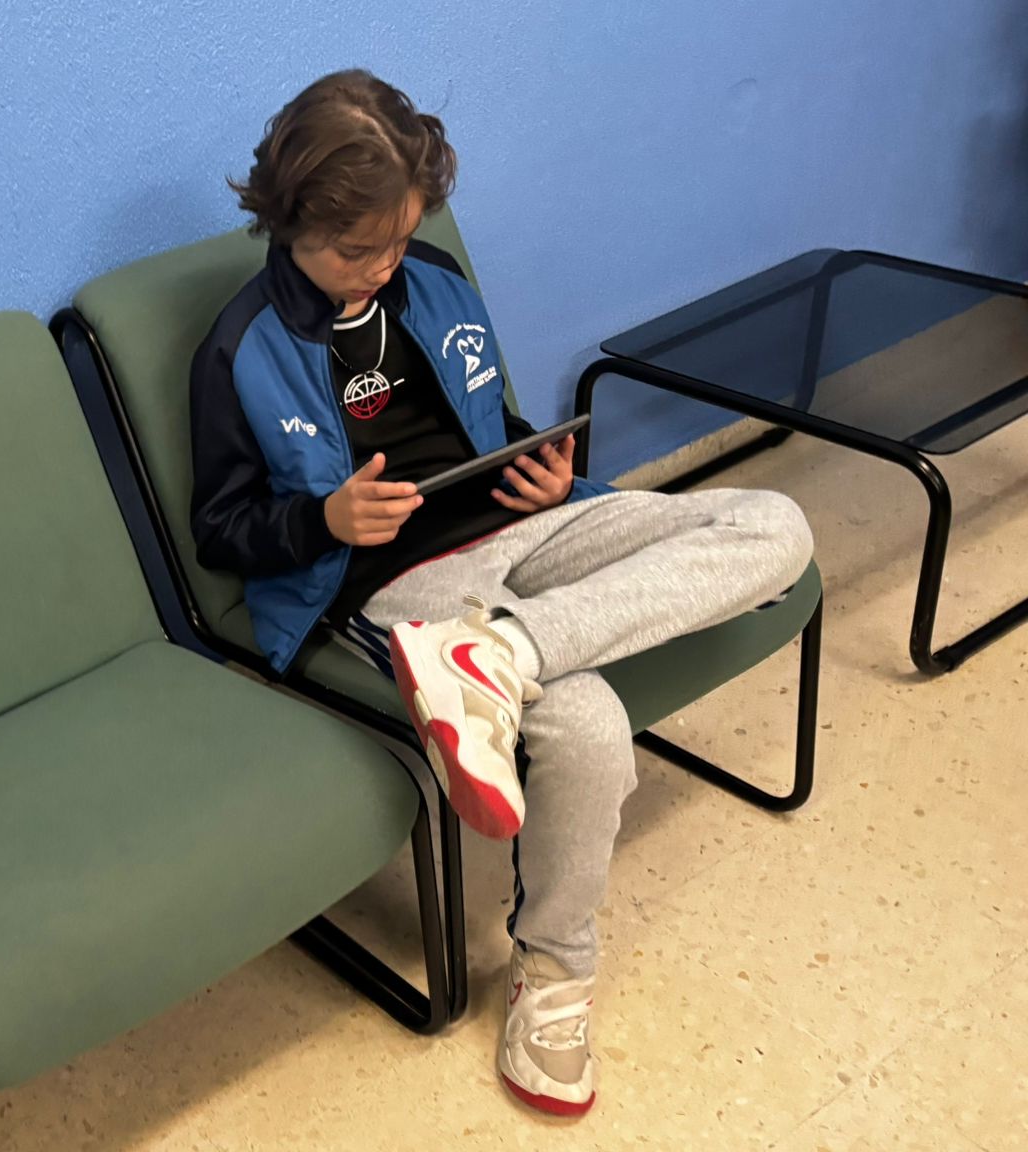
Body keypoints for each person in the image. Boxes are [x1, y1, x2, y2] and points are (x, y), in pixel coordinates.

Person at [189, 72, 813, 1116]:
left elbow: (484, 417)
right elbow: (219, 528)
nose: (383, 267)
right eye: (357, 251)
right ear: (289, 220)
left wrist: (546, 473)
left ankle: (503, 658)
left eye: (399, 240)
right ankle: (555, 970)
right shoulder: (241, 346)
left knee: (775, 525)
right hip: (396, 581)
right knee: (589, 730)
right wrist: (322, 521)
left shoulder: (432, 281)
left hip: (522, 533)